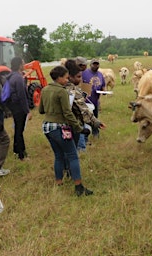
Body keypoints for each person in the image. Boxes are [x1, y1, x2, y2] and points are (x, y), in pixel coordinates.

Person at [39, 65, 93, 196]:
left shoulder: (45, 89)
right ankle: (79, 187)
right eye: (66, 77)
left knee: (58, 155)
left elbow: (41, 110)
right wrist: (80, 128)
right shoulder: (62, 91)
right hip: (59, 127)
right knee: (73, 156)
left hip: (47, 127)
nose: (67, 80)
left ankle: (59, 182)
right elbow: (68, 114)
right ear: (59, 78)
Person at [64, 59, 106, 150]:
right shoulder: (72, 89)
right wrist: (96, 122)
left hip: (63, 124)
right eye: (78, 77)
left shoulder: (59, 87)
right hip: (75, 122)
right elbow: (83, 109)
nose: (80, 79)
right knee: (76, 151)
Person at [5, 56, 30, 160]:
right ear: (20, 65)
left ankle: (16, 150)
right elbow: (22, 96)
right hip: (19, 108)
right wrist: (27, 110)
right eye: (23, 63)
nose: (24, 65)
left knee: (18, 129)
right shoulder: (18, 78)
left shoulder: (10, 76)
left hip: (14, 106)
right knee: (19, 131)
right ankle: (21, 154)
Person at [81, 58, 105, 139]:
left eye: (97, 64)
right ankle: (85, 137)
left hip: (95, 101)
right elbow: (80, 84)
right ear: (90, 64)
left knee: (95, 117)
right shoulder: (84, 73)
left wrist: (104, 91)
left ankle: (95, 134)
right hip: (86, 101)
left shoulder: (100, 74)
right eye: (94, 64)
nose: (96, 65)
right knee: (85, 118)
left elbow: (103, 86)